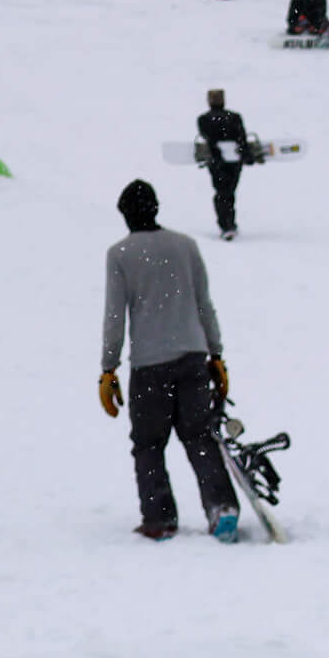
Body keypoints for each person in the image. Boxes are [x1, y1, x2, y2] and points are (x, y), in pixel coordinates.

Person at [100, 179, 239, 542]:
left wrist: (108, 368)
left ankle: (159, 518)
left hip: (149, 365)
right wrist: (216, 354)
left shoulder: (120, 254)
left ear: (125, 214)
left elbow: (115, 316)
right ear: (156, 208)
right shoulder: (186, 246)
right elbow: (204, 304)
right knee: (200, 438)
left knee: (148, 444)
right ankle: (221, 507)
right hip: (193, 357)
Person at [195, 88, 251, 241]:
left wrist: (217, 155)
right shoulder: (234, 117)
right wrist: (247, 155)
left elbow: (209, 139)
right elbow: (242, 139)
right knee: (229, 192)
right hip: (235, 161)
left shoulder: (203, 119)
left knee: (221, 192)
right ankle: (229, 224)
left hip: (216, 162)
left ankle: (226, 225)